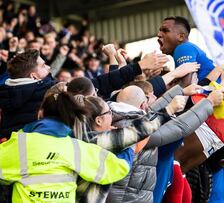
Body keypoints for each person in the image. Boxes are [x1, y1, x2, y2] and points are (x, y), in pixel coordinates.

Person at [0, 49, 167, 139]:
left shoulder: (8, 94)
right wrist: (138, 66)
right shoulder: (46, 93)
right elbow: (98, 84)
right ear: (33, 76)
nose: (49, 68)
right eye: (43, 66)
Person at [0, 92, 132, 202]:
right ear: (72, 120)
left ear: (40, 114)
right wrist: (129, 146)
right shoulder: (76, 148)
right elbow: (118, 168)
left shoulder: (19, 144)